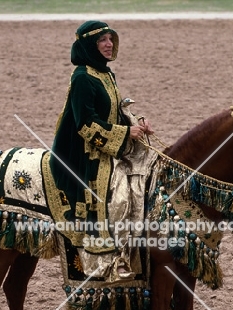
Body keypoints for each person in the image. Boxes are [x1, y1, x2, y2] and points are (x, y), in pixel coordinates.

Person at [48, 20, 154, 280]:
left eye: (110, 39)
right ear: (88, 46)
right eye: (102, 40)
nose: (109, 44)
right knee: (118, 197)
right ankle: (112, 258)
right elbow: (85, 123)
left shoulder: (105, 74)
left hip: (109, 145)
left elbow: (115, 110)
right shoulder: (82, 77)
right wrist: (125, 134)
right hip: (86, 153)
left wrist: (135, 123)